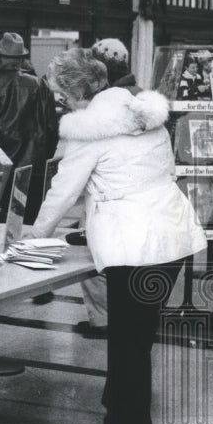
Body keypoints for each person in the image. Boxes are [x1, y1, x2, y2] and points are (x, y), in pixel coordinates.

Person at [28, 49, 206, 424]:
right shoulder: (142, 111)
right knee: (138, 334)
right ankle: (119, 401)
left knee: (126, 336)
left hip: (134, 242)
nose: (58, 100)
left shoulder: (88, 127)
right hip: (172, 234)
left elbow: (62, 191)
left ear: (75, 91)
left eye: (60, 92)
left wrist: (35, 235)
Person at [72, 39, 140, 339]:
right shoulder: (138, 95)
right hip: (135, 196)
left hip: (109, 196)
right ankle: (120, 318)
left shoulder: (106, 103)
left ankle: (103, 320)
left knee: (95, 258)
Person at [0, 32, 59, 225]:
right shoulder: (39, 85)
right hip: (32, 171)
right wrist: (42, 159)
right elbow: (52, 130)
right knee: (25, 228)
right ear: (21, 59)